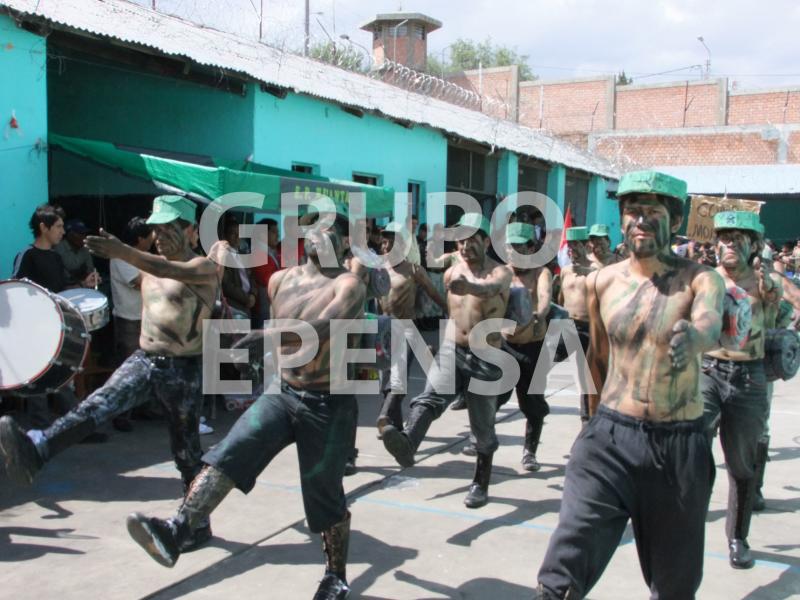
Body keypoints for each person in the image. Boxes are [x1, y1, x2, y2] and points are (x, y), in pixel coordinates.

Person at [126, 212, 365, 600]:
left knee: (323, 494)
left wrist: (264, 336)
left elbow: (325, 327)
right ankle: (178, 528)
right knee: (228, 453)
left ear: (343, 242)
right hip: (282, 392)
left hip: (329, 403)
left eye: (331, 235)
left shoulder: (349, 284)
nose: (322, 240)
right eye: (315, 234)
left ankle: (335, 575)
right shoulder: (279, 280)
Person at [535, 170, 725, 599]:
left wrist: (694, 338)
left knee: (674, 586)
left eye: (653, 212)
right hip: (610, 438)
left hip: (677, 448)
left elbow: (710, 322)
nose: (640, 220)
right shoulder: (604, 281)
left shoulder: (700, 279)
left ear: (674, 220)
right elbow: (599, 358)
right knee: (564, 568)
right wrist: (592, 424)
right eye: (632, 211)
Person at [0, 195, 219, 553]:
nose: (159, 236)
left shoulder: (203, 268)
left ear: (191, 231)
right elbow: (148, 271)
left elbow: (169, 270)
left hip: (183, 369)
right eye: (155, 229)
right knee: (97, 405)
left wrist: (122, 252)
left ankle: (196, 523)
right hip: (145, 359)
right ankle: (38, 449)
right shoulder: (149, 265)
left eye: (168, 229)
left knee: (187, 453)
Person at [381, 213, 512, 508]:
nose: (465, 246)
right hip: (452, 349)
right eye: (461, 240)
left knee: (482, 429)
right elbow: (425, 266)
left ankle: (480, 483)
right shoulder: (452, 271)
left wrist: (473, 288)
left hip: (486, 358)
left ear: (486, 241)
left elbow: (491, 289)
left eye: (472, 240)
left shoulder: (501, 272)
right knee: (428, 398)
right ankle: (408, 443)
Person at [701, 210, 783, 569]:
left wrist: (773, 292)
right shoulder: (705, 280)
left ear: (753, 245)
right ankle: (683, 520)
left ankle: (738, 537)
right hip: (708, 371)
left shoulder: (766, 284)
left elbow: (780, 308)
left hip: (749, 377)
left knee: (742, 465)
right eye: (723, 237)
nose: (728, 243)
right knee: (689, 446)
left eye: (737, 238)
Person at [11, 205, 99, 428]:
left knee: (60, 375)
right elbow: (17, 289)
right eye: (59, 226)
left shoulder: (56, 258)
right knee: (38, 378)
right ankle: (42, 427)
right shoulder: (28, 255)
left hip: (54, 325)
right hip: (32, 327)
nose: (63, 231)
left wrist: (82, 285)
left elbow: (60, 290)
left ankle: (74, 426)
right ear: (43, 227)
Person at [376, 221, 447, 437]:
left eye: (391, 241)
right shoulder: (377, 269)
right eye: (384, 240)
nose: (385, 245)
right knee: (385, 380)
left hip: (407, 328)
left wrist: (450, 311)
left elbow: (434, 294)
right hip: (382, 329)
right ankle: (394, 426)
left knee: (397, 379)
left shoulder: (413, 270)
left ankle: (385, 416)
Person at [498, 222, 553, 471]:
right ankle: (481, 438)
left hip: (533, 348)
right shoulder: (501, 273)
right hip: (505, 347)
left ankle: (530, 451)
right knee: (491, 396)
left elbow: (545, 299)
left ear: (531, 248)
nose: (514, 252)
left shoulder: (541, 273)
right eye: (510, 247)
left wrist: (538, 315)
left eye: (520, 247)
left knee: (531, 404)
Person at [109, 216, 155, 432]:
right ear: (140, 238)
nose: (154, 240)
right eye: (150, 236)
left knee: (146, 367)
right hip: (128, 319)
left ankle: (142, 408)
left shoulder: (140, 255)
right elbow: (141, 282)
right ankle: (120, 415)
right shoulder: (120, 257)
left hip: (144, 318)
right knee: (127, 370)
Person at [557, 226, 596, 424]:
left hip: (588, 328)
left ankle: (587, 417)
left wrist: (586, 272)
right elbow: (560, 299)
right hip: (566, 327)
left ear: (585, 245)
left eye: (575, 246)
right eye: (569, 247)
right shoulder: (565, 271)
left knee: (585, 376)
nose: (571, 251)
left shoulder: (596, 271)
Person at [220, 216, 256, 319]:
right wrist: (247, 299)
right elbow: (226, 285)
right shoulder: (223, 257)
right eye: (233, 233)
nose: (237, 237)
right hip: (233, 306)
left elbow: (252, 277)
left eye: (239, 234)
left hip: (247, 306)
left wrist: (253, 295)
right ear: (225, 236)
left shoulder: (243, 255)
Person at [252, 218, 280, 328]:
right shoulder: (258, 253)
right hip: (263, 307)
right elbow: (266, 279)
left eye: (278, 232)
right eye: (274, 232)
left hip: (268, 305)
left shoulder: (268, 251)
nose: (277, 236)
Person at [54, 219, 97, 286]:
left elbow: (90, 272)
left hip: (85, 286)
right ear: (70, 234)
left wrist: (76, 273)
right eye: (80, 233)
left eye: (84, 234)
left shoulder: (85, 248)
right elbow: (64, 277)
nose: (84, 237)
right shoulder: (59, 248)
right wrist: (79, 272)